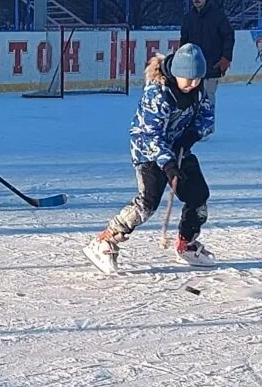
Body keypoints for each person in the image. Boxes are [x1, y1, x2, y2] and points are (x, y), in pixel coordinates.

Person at [83, 43, 216, 274]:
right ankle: (105, 239)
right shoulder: (158, 93)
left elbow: (206, 116)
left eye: (197, 78)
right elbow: (150, 135)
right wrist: (168, 164)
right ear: (176, 73)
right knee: (147, 203)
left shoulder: (199, 89)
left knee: (198, 195)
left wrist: (192, 136)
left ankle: (186, 243)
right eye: (189, 78)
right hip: (148, 151)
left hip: (178, 148)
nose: (194, 83)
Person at [180, 0, 235, 134]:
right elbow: (184, 40)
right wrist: (181, 59)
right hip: (193, 65)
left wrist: (225, 58)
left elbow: (229, 36)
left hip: (212, 63)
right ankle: (192, 125)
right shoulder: (188, 17)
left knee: (208, 96)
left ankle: (207, 126)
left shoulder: (217, 15)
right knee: (192, 96)